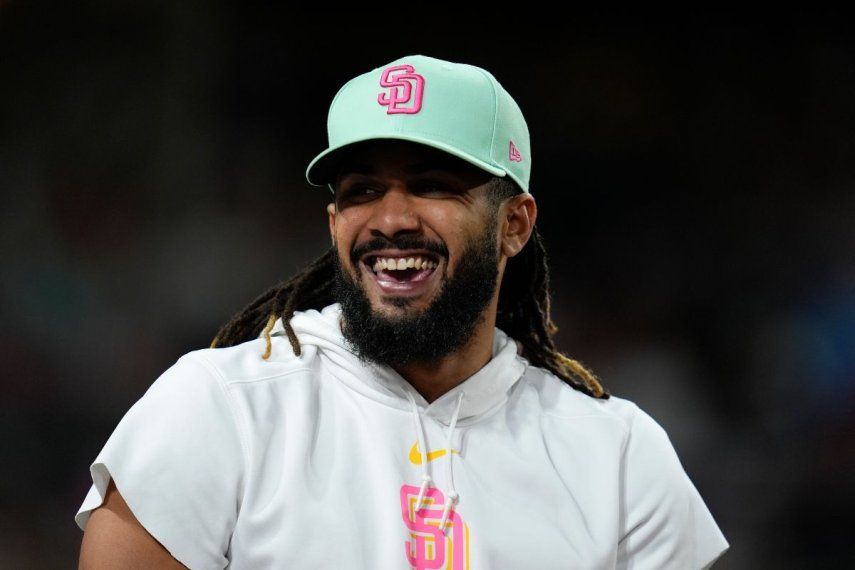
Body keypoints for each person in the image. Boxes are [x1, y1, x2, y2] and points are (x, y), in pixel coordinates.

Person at [75, 54, 729, 569]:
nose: (390, 220)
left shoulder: (618, 454)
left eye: (432, 186)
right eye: (362, 191)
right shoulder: (219, 408)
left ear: (513, 224)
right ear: (334, 222)